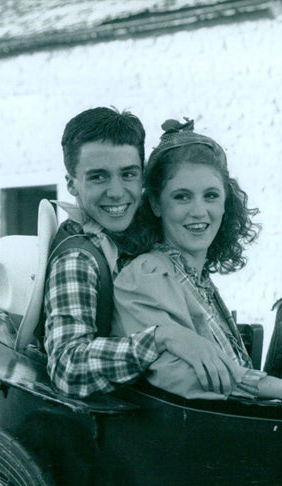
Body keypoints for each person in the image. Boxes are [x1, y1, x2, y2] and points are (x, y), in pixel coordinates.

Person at [111, 119, 282, 438]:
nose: (199, 211)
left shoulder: (194, 278)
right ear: (157, 204)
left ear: (226, 202)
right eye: (182, 197)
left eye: (211, 196)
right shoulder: (145, 276)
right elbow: (193, 379)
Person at [44, 107, 235, 398]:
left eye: (128, 174)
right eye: (98, 177)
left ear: (143, 178)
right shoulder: (80, 258)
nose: (117, 192)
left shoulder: (136, 238)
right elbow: (67, 366)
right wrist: (161, 337)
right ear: (71, 183)